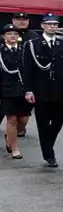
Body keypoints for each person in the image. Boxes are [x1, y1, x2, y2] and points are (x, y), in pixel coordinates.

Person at [21, 12, 63, 168]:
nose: (52, 26)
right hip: (40, 90)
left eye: (55, 24)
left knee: (59, 118)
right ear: (42, 25)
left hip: (59, 90)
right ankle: (49, 154)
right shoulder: (32, 45)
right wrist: (28, 90)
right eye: (49, 24)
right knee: (43, 122)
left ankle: (48, 143)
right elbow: (26, 69)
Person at [2, 23, 30, 159]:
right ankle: (14, 148)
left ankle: (10, 136)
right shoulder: (1, 52)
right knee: (11, 118)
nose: (12, 36)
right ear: (4, 36)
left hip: (24, 88)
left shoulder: (25, 50)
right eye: (9, 34)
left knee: (23, 120)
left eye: (15, 34)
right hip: (7, 89)